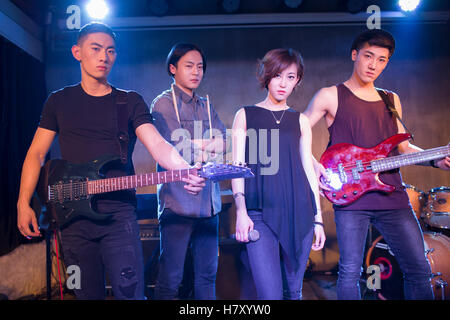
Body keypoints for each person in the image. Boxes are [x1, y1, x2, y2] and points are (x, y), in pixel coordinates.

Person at [16, 22, 205, 300]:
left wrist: (184, 170)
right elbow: (35, 154)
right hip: (71, 221)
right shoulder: (58, 101)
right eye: (96, 49)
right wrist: (23, 203)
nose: (104, 56)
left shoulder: (129, 102)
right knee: (81, 293)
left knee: (130, 293)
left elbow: (158, 145)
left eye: (111, 51)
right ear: (77, 52)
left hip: (119, 218)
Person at [304, 29, 450, 300]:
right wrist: (314, 165)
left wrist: (435, 160)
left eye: (382, 60)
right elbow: (297, 132)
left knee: (419, 270)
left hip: (393, 197)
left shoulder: (390, 99)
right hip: (351, 201)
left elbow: (403, 148)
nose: (373, 65)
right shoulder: (330, 95)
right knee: (349, 272)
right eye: (368, 56)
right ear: (354, 55)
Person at [231, 48, 326, 300]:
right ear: (267, 76)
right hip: (259, 214)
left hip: (300, 213)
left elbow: (308, 169)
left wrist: (318, 218)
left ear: (298, 81)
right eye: (278, 75)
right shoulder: (245, 115)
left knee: (294, 293)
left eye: (291, 77)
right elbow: (237, 168)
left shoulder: (300, 121)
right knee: (269, 295)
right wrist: (241, 211)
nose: (283, 83)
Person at [150, 43, 227, 300]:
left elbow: (224, 142)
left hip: (209, 204)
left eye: (200, 67)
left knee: (207, 276)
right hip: (177, 203)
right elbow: (175, 148)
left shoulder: (206, 104)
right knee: (171, 277)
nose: (196, 72)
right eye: (189, 66)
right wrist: (205, 144)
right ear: (173, 68)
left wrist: (195, 145)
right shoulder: (161, 105)